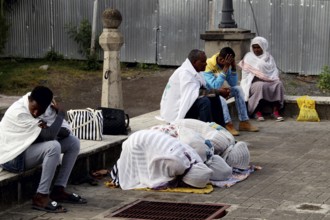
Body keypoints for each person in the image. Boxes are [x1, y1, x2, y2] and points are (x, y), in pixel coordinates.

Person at [0, 86, 86, 213]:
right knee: (53, 146)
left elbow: (63, 132)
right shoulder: (19, 112)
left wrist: (51, 128)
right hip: (12, 158)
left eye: (39, 110)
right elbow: (49, 135)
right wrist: (60, 114)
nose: (35, 113)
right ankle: (41, 196)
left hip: (27, 149)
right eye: (33, 109)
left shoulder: (46, 107)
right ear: (29, 100)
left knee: (73, 142)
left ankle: (58, 189)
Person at [109, 129, 213, 190]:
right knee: (130, 175)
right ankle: (116, 173)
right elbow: (156, 174)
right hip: (138, 142)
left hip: (146, 136)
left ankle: (118, 169)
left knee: (130, 166)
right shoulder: (178, 165)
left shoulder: (194, 159)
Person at [160, 49, 225, 126]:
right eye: (203, 62)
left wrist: (217, 92)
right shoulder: (185, 73)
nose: (206, 64)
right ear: (194, 62)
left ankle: (220, 129)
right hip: (176, 113)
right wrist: (218, 92)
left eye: (206, 61)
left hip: (185, 104)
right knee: (204, 101)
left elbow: (200, 90)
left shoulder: (194, 71)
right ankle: (207, 131)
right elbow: (194, 94)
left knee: (213, 96)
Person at [203, 47, 259, 136]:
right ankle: (228, 124)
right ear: (221, 59)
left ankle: (244, 122)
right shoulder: (208, 65)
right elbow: (215, 86)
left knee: (238, 89)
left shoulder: (226, 62)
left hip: (221, 90)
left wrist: (232, 68)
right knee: (220, 99)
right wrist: (225, 69)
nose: (228, 65)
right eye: (227, 63)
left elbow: (233, 83)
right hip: (209, 93)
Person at [238, 36, 285, 121]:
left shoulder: (269, 57)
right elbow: (246, 75)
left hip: (269, 80)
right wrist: (260, 76)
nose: (256, 50)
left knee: (279, 84)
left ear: (263, 47)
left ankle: (275, 111)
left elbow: (274, 71)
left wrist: (270, 78)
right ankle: (256, 111)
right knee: (261, 85)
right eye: (254, 47)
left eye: (258, 47)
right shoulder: (249, 57)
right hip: (252, 82)